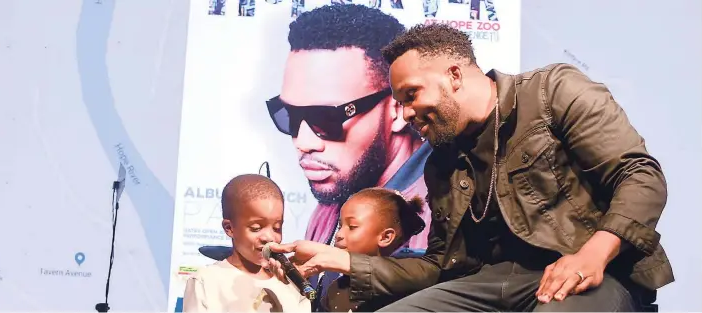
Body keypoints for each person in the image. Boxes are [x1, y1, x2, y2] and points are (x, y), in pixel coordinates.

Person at [263, 23, 674, 312]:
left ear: (454, 75)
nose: (404, 114)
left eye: (410, 95)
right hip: (492, 282)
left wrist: (592, 254)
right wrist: (336, 258)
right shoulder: (442, 162)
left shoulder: (553, 92)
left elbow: (640, 176)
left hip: (591, 273)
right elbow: (436, 267)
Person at [265, 4, 433, 310]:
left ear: (396, 108)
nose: (303, 142)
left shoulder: (442, 206)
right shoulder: (338, 190)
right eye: (289, 115)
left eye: (325, 119)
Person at [183, 174, 311, 313]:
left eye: (277, 228)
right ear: (229, 228)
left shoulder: (294, 284)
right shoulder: (205, 281)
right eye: (256, 228)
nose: (269, 237)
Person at [320, 188, 426, 312]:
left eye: (352, 227)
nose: (339, 234)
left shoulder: (405, 290)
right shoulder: (336, 289)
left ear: (386, 237)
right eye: (339, 226)